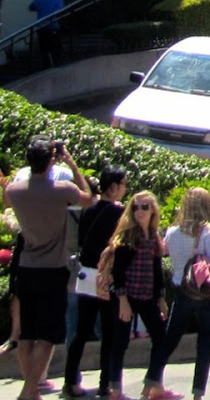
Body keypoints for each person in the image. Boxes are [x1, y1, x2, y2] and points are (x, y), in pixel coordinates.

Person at [4, 137, 96, 400]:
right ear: (52, 160)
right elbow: (90, 199)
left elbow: (7, 200)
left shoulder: (14, 190)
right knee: (47, 336)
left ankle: (32, 391)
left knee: (27, 335)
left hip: (26, 266)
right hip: (53, 269)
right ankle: (28, 391)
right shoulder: (62, 189)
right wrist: (72, 163)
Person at [145, 188, 210, 400]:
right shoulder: (206, 231)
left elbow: (169, 256)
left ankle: (151, 381)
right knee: (205, 341)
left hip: (182, 289)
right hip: (204, 293)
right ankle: (198, 392)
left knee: (170, 338)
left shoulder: (172, 231)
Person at [63, 167, 128, 400]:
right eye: (124, 184)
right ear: (114, 187)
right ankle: (104, 384)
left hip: (86, 274)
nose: (125, 188)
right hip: (104, 275)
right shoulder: (118, 212)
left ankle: (70, 381)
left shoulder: (88, 209)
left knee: (81, 330)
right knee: (109, 331)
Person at [106, 190, 167, 400]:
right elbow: (118, 272)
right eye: (135, 207)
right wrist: (122, 300)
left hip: (147, 295)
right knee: (120, 342)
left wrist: (161, 298)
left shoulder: (154, 235)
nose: (139, 211)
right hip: (127, 295)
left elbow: (157, 270)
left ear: (153, 210)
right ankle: (115, 389)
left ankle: (150, 383)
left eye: (144, 207)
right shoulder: (128, 236)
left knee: (161, 337)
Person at [28, 0, 63, 68]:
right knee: (55, 48)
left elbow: (31, 7)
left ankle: (46, 65)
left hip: (41, 26)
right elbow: (60, 10)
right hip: (52, 26)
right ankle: (55, 65)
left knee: (44, 48)